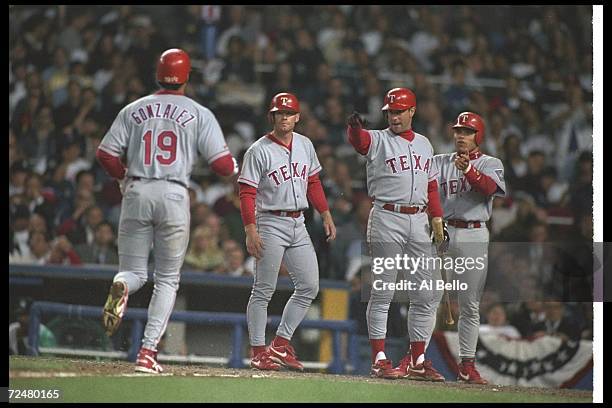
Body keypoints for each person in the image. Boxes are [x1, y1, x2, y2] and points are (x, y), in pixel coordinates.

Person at [96, 48, 238, 374]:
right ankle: (147, 353)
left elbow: (105, 154)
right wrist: (236, 164)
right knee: (167, 280)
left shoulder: (134, 109)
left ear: (157, 74)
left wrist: (122, 176)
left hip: (137, 190)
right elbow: (220, 164)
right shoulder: (198, 112)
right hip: (174, 194)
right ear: (187, 77)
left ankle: (122, 283)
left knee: (134, 272)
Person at [346, 87, 445, 381]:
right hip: (387, 217)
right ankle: (379, 357)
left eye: (399, 111)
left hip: (419, 220)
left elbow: (431, 185)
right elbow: (360, 142)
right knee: (383, 289)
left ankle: (417, 358)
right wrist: (354, 127)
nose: (394, 116)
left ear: (412, 111)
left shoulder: (426, 144)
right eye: (390, 111)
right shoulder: (378, 138)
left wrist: (437, 217)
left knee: (426, 293)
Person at [238, 92, 336, 371]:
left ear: (297, 117)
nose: (284, 117)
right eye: (279, 113)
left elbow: (313, 181)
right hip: (269, 221)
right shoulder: (258, 150)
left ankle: (279, 345)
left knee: (309, 286)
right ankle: (258, 351)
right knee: (263, 290)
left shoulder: (305, 144)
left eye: (289, 113)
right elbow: (246, 192)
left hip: (298, 222)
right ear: (272, 117)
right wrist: (250, 229)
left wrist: (326, 213)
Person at [431, 112, 506, 384]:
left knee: (470, 304)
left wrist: (469, 170)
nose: (461, 135)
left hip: (475, 234)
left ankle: (467, 365)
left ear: (478, 136)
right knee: (426, 298)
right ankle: (415, 358)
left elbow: (489, 189)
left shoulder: (490, 162)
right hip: (444, 232)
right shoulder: (439, 162)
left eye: (467, 131)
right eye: (458, 131)